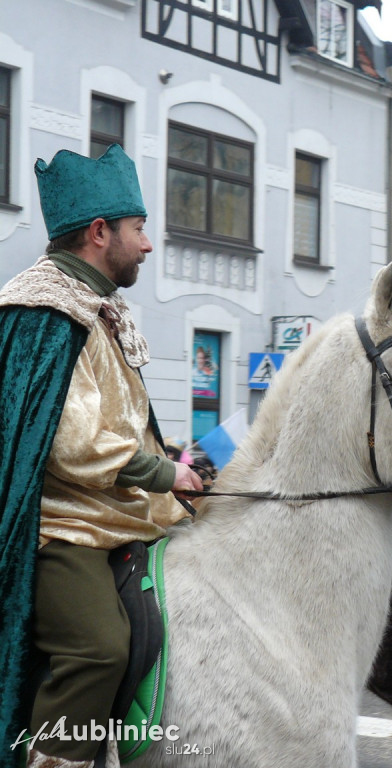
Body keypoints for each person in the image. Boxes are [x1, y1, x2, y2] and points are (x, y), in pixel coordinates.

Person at [0, 144, 204, 767]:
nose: (146, 245)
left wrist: (166, 455)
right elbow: (75, 442)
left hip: (117, 511)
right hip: (64, 526)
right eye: (138, 230)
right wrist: (166, 472)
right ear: (98, 232)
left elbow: (116, 419)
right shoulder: (46, 312)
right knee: (99, 648)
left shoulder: (94, 307)